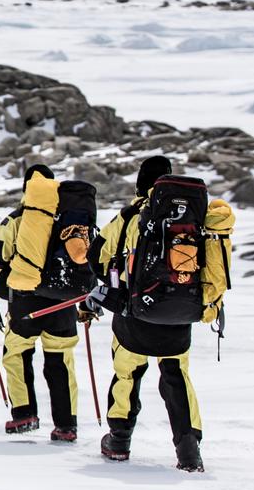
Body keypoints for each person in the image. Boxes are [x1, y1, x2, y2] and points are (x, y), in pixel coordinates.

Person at [89, 156, 234, 472]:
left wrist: (114, 283)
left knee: (128, 372)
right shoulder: (194, 217)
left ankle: (118, 440)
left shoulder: (130, 217)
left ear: (141, 185)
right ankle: (188, 450)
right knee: (176, 376)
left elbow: (97, 257)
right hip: (180, 311)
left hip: (134, 313)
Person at [0, 164, 85, 442]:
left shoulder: (17, 219)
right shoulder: (69, 221)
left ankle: (24, 414)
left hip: (25, 303)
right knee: (61, 361)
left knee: (17, 355)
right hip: (63, 304)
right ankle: (66, 424)